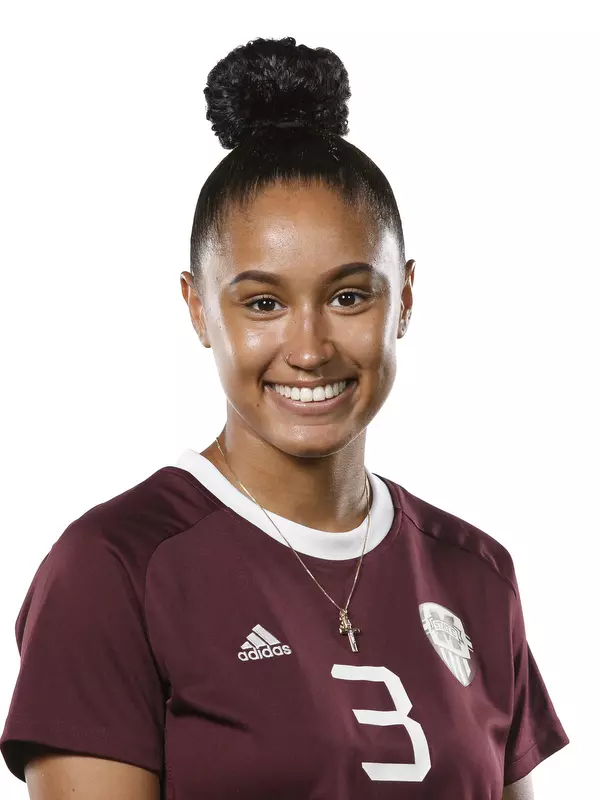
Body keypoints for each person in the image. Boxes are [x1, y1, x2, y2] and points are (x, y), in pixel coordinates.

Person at [0, 36, 568, 800]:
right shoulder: (114, 570)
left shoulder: (478, 574)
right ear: (199, 309)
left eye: (349, 296)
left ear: (403, 297)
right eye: (262, 303)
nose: (309, 347)